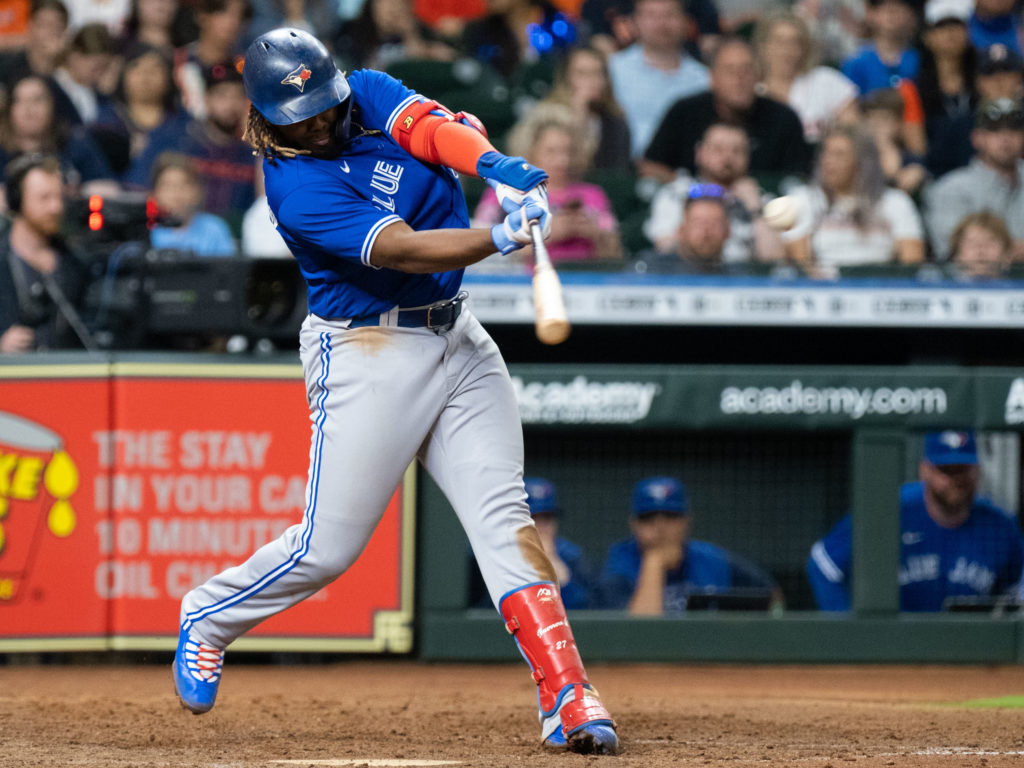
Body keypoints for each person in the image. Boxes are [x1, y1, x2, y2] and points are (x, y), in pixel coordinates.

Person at [171, 27, 619, 756]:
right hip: (366, 350)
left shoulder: (367, 94)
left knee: (506, 520)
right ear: (263, 116)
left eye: (322, 104)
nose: (318, 120)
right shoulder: (295, 187)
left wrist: (498, 167)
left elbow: (439, 132)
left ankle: (567, 692)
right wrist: (500, 238)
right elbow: (406, 248)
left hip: (458, 338)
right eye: (301, 114)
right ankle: (209, 614)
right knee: (326, 549)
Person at [807, 430, 1024, 612]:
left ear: (976, 470)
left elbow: (1016, 590)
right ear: (925, 470)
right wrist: (849, 632)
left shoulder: (1000, 525)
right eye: (946, 470)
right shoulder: (891, 511)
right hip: (895, 648)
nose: (955, 479)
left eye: (962, 469)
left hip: (971, 651)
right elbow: (823, 564)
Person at [642, 38, 812, 187]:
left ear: (758, 76)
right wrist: (688, 189)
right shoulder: (684, 112)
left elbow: (797, 180)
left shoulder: (783, 119)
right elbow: (651, 167)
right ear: (712, 78)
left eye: (746, 70)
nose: (739, 79)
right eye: (730, 70)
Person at [598, 476, 781, 615]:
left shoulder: (713, 559)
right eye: (648, 518)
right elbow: (637, 634)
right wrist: (654, 562)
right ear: (634, 524)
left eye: (670, 516)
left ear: (687, 521)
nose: (660, 527)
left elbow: (773, 596)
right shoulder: (619, 564)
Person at [474, 102, 621, 265]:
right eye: (552, 151)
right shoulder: (503, 193)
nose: (563, 160)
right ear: (530, 150)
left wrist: (596, 235)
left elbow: (616, 257)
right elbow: (482, 251)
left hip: (586, 283)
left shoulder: (593, 196)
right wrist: (548, 234)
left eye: (568, 151)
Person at [781, 124, 925, 278]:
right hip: (823, 288)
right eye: (826, 153)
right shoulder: (805, 198)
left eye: (839, 155)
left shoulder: (895, 201)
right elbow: (800, 263)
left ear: (863, 162)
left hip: (881, 287)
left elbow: (912, 262)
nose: (828, 161)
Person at [126, 60, 255, 224]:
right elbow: (137, 190)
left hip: (232, 243)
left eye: (238, 96)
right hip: (169, 231)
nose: (230, 104)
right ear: (206, 99)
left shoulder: (251, 156)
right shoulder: (173, 140)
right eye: (222, 95)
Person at [644, 122, 785, 263]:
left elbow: (774, 263)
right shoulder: (677, 194)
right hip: (690, 278)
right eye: (718, 149)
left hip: (742, 280)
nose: (728, 158)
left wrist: (755, 208)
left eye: (737, 151)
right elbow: (665, 250)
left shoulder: (762, 202)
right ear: (699, 153)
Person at [0, 154, 92, 354]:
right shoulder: (3, 260)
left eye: (59, 197)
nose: (56, 207)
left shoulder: (77, 262)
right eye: (44, 198)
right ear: (16, 200)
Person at [923, 96, 1024, 262]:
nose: (1005, 138)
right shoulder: (951, 188)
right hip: (973, 286)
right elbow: (953, 252)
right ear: (977, 138)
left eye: (1014, 129)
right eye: (995, 130)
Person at [607, 0, 710, 160]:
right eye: (651, 15)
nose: (661, 24)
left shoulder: (704, 80)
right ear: (635, 22)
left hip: (684, 175)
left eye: (669, 14)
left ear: (685, 21)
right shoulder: (612, 70)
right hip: (624, 171)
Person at [752, 9, 860, 146]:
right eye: (779, 42)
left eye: (794, 42)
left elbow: (854, 129)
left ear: (804, 48)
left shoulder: (824, 80)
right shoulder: (751, 90)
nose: (787, 50)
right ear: (762, 47)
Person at [0, 74, 117, 197]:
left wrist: (72, 194)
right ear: (9, 109)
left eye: (37, 100)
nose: (28, 109)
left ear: (53, 105)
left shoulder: (75, 144)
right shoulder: (2, 151)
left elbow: (109, 190)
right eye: (18, 101)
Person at [914, 0, 980, 179]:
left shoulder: (984, 79)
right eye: (941, 26)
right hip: (936, 175)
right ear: (927, 36)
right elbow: (917, 147)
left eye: (957, 24)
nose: (950, 32)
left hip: (984, 170)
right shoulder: (913, 89)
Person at [540, 45, 631, 172]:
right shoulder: (546, 114)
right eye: (582, 73)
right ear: (567, 78)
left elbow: (618, 172)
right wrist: (579, 110)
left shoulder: (616, 122)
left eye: (597, 73)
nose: (591, 80)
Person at [521, 477, 595, 610]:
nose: (541, 527)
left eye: (547, 518)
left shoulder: (572, 556)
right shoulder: (504, 554)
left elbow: (584, 610)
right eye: (533, 518)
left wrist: (554, 564)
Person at [173, 0, 252, 120]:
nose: (232, 22)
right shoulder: (179, 61)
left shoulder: (246, 66)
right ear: (202, 16)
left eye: (239, 15)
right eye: (222, 12)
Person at [148, 151, 236, 255]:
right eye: (167, 186)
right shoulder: (145, 229)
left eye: (183, 186)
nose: (176, 195)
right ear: (155, 193)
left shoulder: (215, 229)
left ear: (197, 192)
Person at [334, 0, 455, 72]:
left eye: (398, 3)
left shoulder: (419, 29)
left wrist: (409, 33)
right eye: (386, 3)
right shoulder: (352, 30)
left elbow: (450, 57)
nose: (393, 8)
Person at [642, 184, 739, 273]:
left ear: (728, 231)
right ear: (681, 230)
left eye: (714, 223)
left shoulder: (740, 277)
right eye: (698, 223)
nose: (706, 231)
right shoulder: (651, 270)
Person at [840, 0, 921, 96]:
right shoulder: (855, 62)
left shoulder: (923, 58)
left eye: (900, 5)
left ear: (911, 14)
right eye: (880, 5)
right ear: (870, 13)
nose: (891, 11)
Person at [859, 87, 928, 197]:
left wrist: (918, 173)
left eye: (883, 119)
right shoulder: (857, 155)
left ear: (898, 124)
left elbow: (897, 177)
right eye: (870, 119)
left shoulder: (912, 160)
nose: (876, 125)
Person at [0, 0, 70, 95]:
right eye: (44, 25)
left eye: (57, 26)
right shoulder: (7, 68)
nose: (50, 31)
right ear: (30, 26)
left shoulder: (69, 73)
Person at [947, 210, 1014, 280]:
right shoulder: (941, 290)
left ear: (1007, 256)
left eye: (990, 243)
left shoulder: (1017, 290)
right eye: (972, 244)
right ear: (957, 256)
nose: (980, 250)